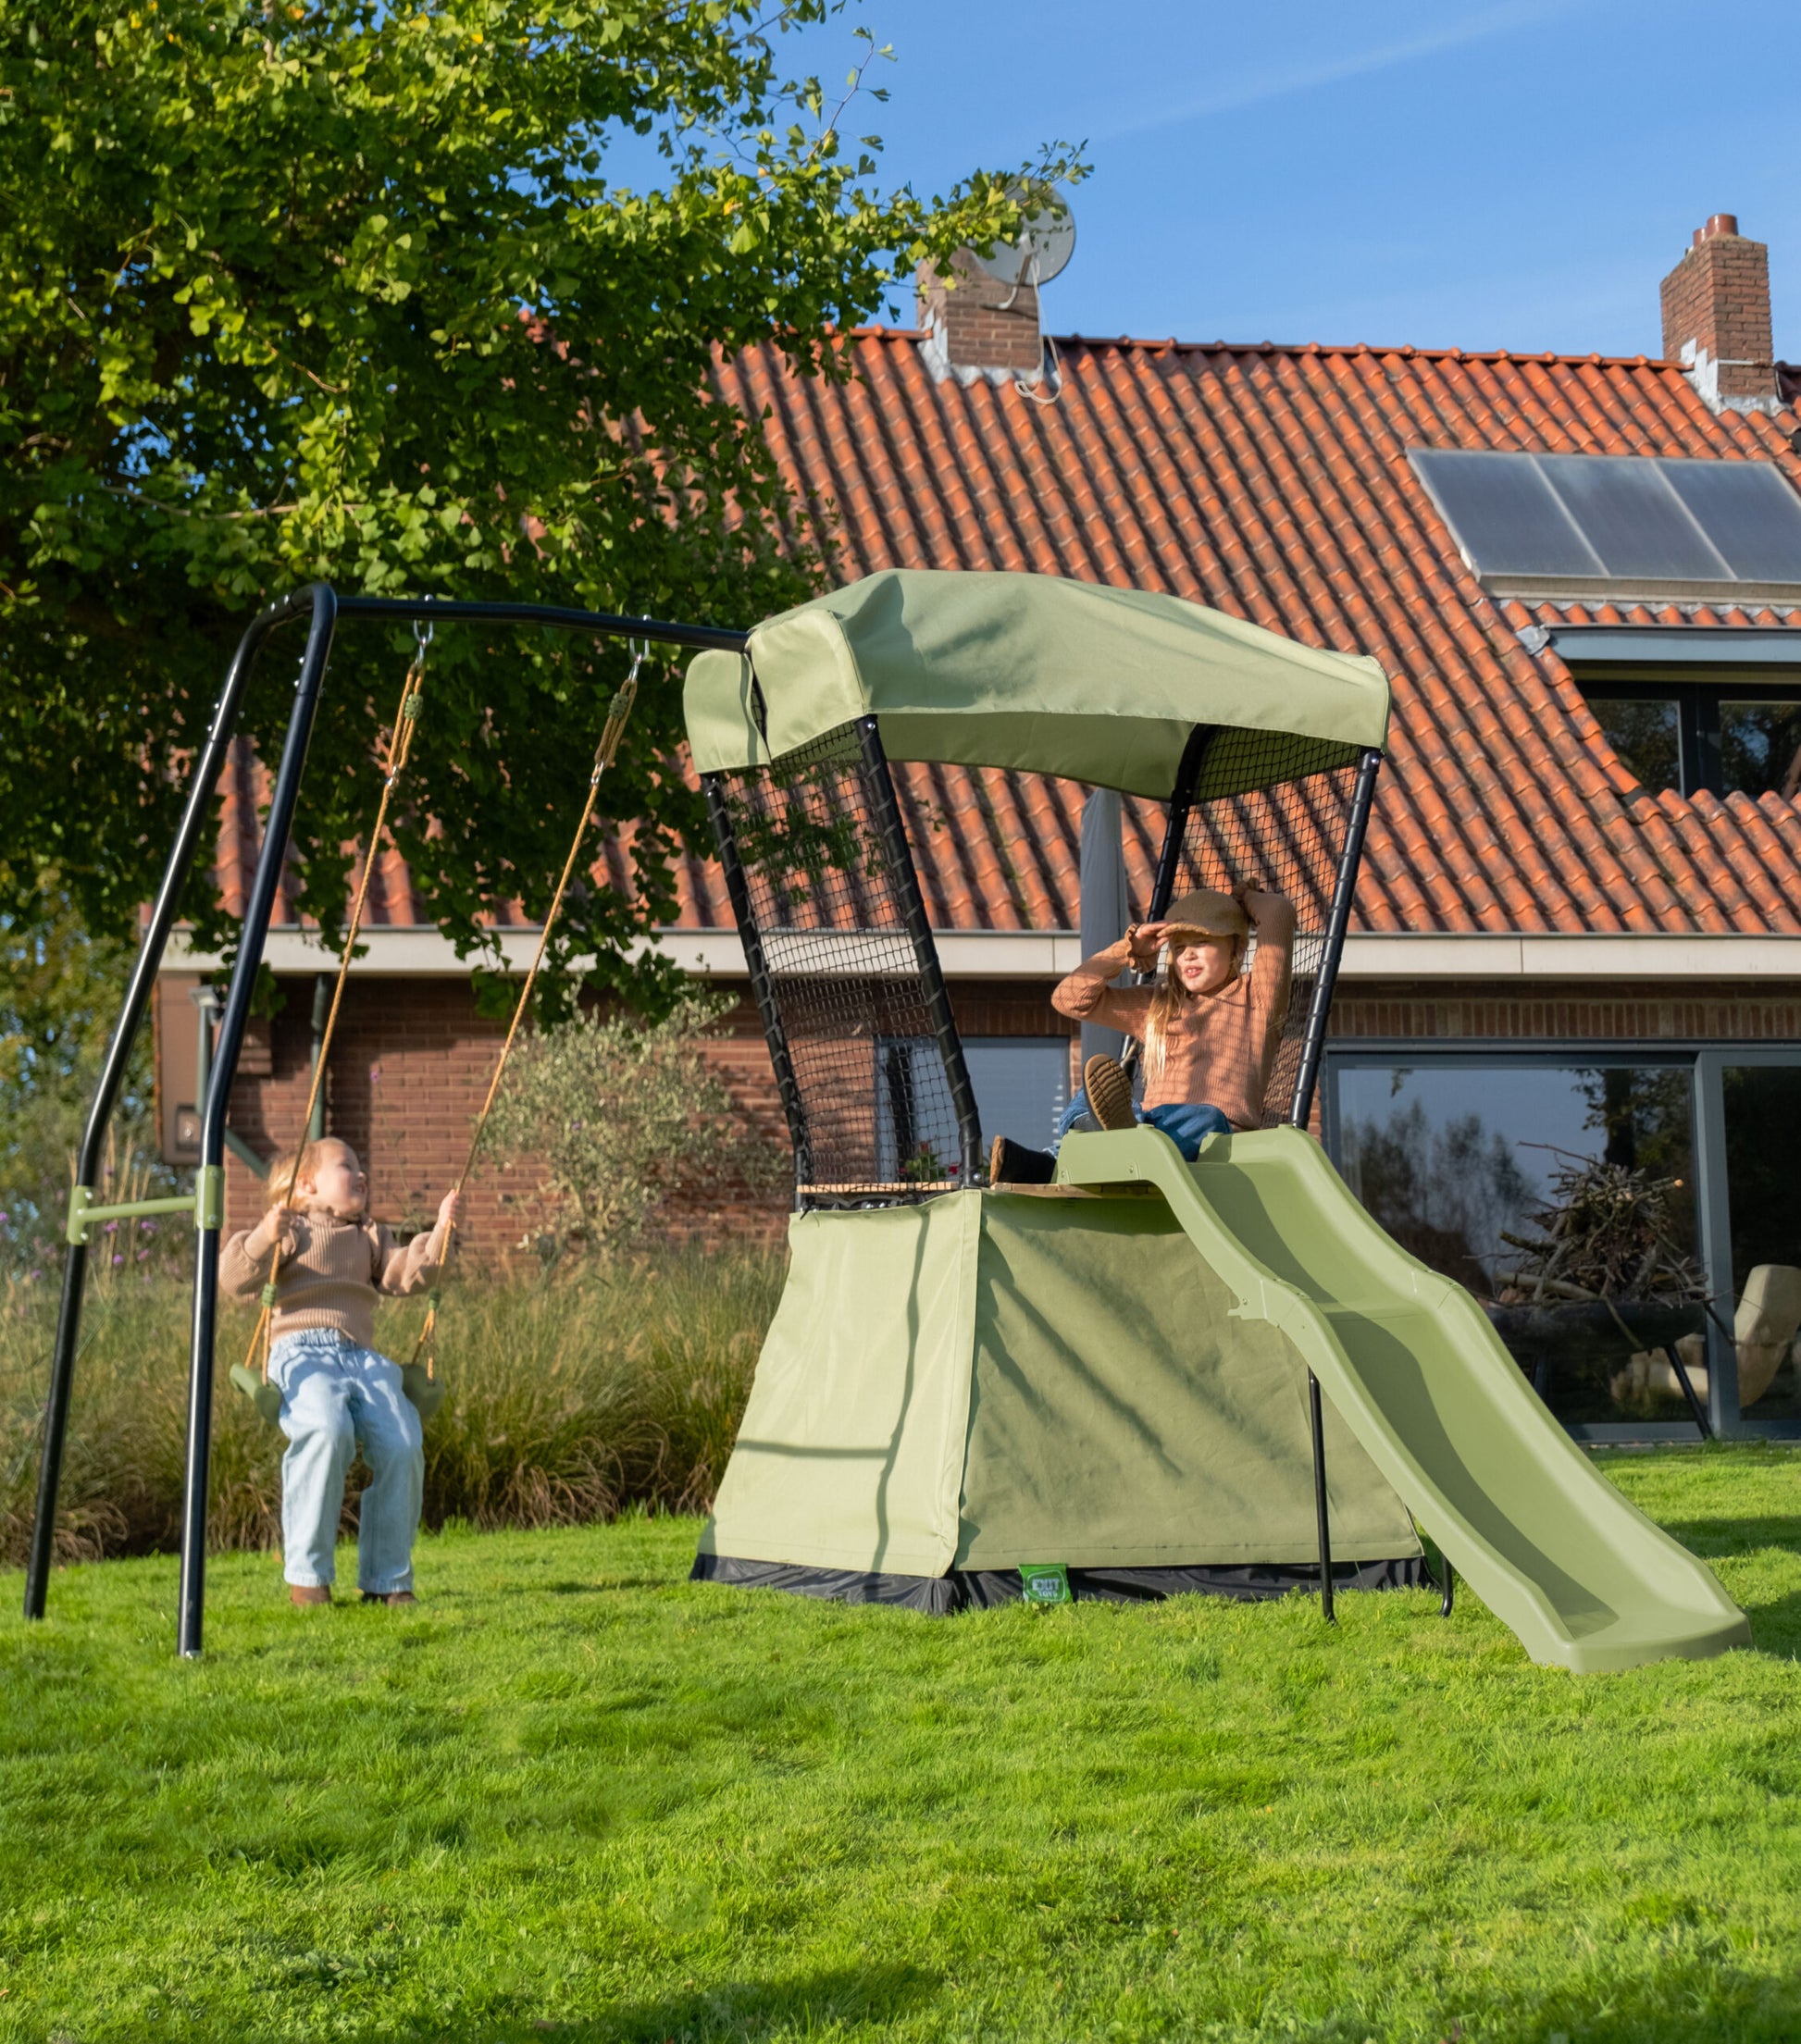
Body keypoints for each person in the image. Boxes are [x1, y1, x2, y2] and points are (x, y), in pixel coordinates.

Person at [220, 1137, 459, 1607]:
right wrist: (264, 1235)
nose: (361, 1174)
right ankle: (309, 1577)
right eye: (347, 1166)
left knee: (403, 1442)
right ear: (306, 1184)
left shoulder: (369, 1236)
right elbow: (233, 1278)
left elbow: (404, 1274)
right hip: (301, 1353)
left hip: (361, 1357)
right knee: (326, 1432)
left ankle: (387, 1581)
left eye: (361, 1166)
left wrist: (439, 1234)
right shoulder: (289, 1230)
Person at [988, 886, 1297, 1185]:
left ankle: (1089, 1152)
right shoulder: (1158, 1005)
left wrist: (1244, 897)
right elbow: (1069, 999)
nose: (1188, 956)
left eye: (1201, 942)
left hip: (1211, 1140)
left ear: (1237, 947)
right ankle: (1077, 1152)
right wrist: (1125, 952)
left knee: (1207, 1117)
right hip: (1149, 1126)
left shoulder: (1258, 998)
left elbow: (1279, 912)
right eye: (1178, 947)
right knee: (1089, 1095)